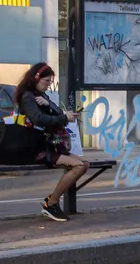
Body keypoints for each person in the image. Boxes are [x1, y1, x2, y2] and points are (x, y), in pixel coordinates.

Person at [13, 63, 89, 222]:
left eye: (50, 82)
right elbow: (38, 119)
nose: (48, 85)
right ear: (36, 78)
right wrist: (63, 118)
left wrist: (49, 105)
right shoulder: (28, 96)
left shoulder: (42, 96)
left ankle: (52, 200)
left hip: (50, 145)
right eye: (46, 81)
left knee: (85, 164)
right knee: (78, 165)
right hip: (37, 148)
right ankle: (51, 203)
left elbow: (58, 113)